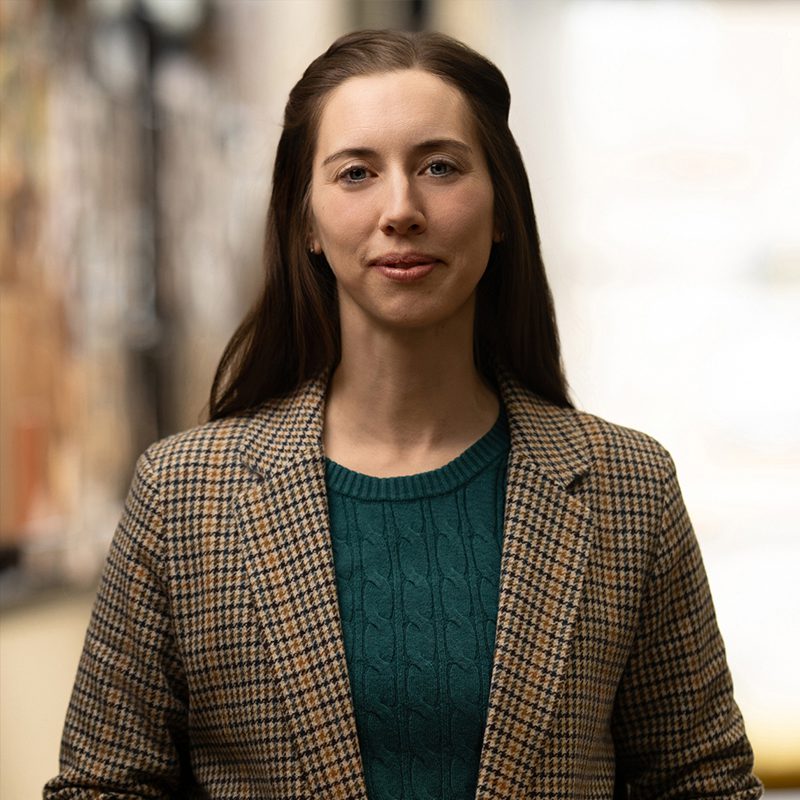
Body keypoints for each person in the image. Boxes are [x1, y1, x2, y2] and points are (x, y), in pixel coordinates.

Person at [45, 29, 763, 799]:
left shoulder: (628, 487)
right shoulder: (186, 493)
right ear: (305, 221)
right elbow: (103, 787)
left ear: (501, 208)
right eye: (356, 173)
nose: (401, 210)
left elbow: (702, 782)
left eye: (439, 167)